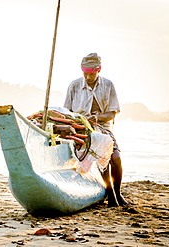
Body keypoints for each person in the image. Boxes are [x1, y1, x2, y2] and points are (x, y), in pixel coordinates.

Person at [64, 53, 128, 207]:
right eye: (85, 74)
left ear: (98, 70)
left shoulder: (108, 85)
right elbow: (66, 112)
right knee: (101, 155)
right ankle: (111, 194)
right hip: (82, 127)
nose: (88, 77)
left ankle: (118, 193)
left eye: (91, 74)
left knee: (116, 158)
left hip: (103, 126)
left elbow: (112, 112)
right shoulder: (74, 85)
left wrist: (98, 118)